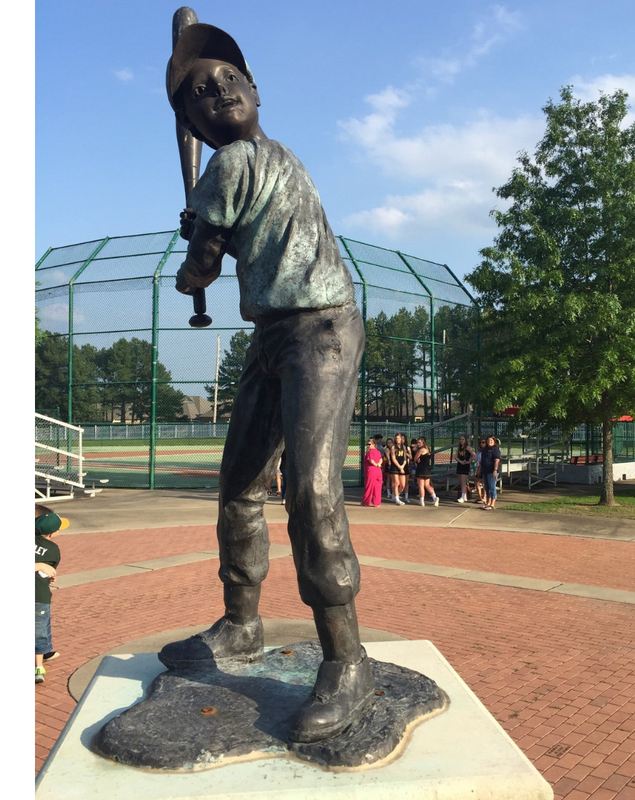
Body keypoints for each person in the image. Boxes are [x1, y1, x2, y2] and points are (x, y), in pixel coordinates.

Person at [161, 21, 373, 743]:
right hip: (274, 335)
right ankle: (242, 626)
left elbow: (204, 266)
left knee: (311, 492)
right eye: (199, 90)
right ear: (189, 119)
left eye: (228, 80)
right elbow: (226, 230)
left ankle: (347, 660)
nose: (217, 87)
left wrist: (194, 257)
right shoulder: (250, 164)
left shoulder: (242, 161)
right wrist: (204, 231)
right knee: (240, 488)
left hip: (321, 330)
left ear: (255, 94)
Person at [35, 506, 69, 685]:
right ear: (50, 534)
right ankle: (38, 666)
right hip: (39, 596)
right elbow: (51, 566)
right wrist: (41, 566)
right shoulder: (53, 550)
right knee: (39, 629)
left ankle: (41, 657)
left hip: (40, 591)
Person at [413, 436, 440, 506]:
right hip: (427, 469)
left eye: (419, 442)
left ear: (423, 442)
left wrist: (417, 459)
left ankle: (422, 501)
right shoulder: (427, 449)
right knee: (427, 485)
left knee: (421, 486)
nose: (418, 444)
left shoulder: (421, 450)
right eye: (417, 442)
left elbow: (415, 458)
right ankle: (435, 498)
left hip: (421, 469)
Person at [480, 436, 502, 511]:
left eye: (491, 440)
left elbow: (497, 460)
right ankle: (488, 503)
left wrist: (495, 470)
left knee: (492, 488)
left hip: (492, 471)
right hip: (485, 471)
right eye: (488, 440)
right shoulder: (485, 450)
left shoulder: (495, 450)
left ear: (494, 441)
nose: (490, 441)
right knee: (487, 488)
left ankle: (492, 504)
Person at [361, 438, 383, 506]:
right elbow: (381, 459)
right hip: (378, 470)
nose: (368, 445)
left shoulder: (370, 452)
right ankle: (377, 503)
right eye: (367, 444)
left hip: (371, 471)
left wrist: (375, 464)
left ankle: (366, 502)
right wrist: (379, 464)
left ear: (373, 444)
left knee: (369, 486)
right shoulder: (378, 451)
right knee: (377, 487)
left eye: (369, 444)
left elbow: (371, 460)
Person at [454, 434, 475, 503]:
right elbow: (456, 456)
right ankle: (465, 495)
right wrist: (460, 461)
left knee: (463, 482)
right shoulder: (459, 448)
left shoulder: (468, 447)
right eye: (460, 439)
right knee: (461, 482)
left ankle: (462, 497)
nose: (461, 441)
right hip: (460, 465)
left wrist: (469, 461)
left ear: (465, 440)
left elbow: (474, 455)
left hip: (465, 466)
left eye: (463, 439)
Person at [389, 433, 410, 505]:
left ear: (401, 439)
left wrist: (402, 466)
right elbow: (393, 458)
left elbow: (405, 459)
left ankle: (394, 495)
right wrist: (399, 466)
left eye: (398, 438)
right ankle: (397, 499)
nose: (397, 439)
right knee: (396, 483)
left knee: (403, 485)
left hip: (402, 466)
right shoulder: (393, 447)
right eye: (396, 438)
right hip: (395, 467)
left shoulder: (404, 447)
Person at [473, 437, 487, 504]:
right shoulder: (479, 451)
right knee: (476, 482)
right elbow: (476, 461)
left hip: (483, 469)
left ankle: (484, 497)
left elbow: (482, 462)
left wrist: (479, 469)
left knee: (483, 483)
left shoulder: (486, 451)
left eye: (483, 442)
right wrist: (475, 466)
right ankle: (480, 497)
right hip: (477, 468)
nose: (481, 444)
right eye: (480, 442)